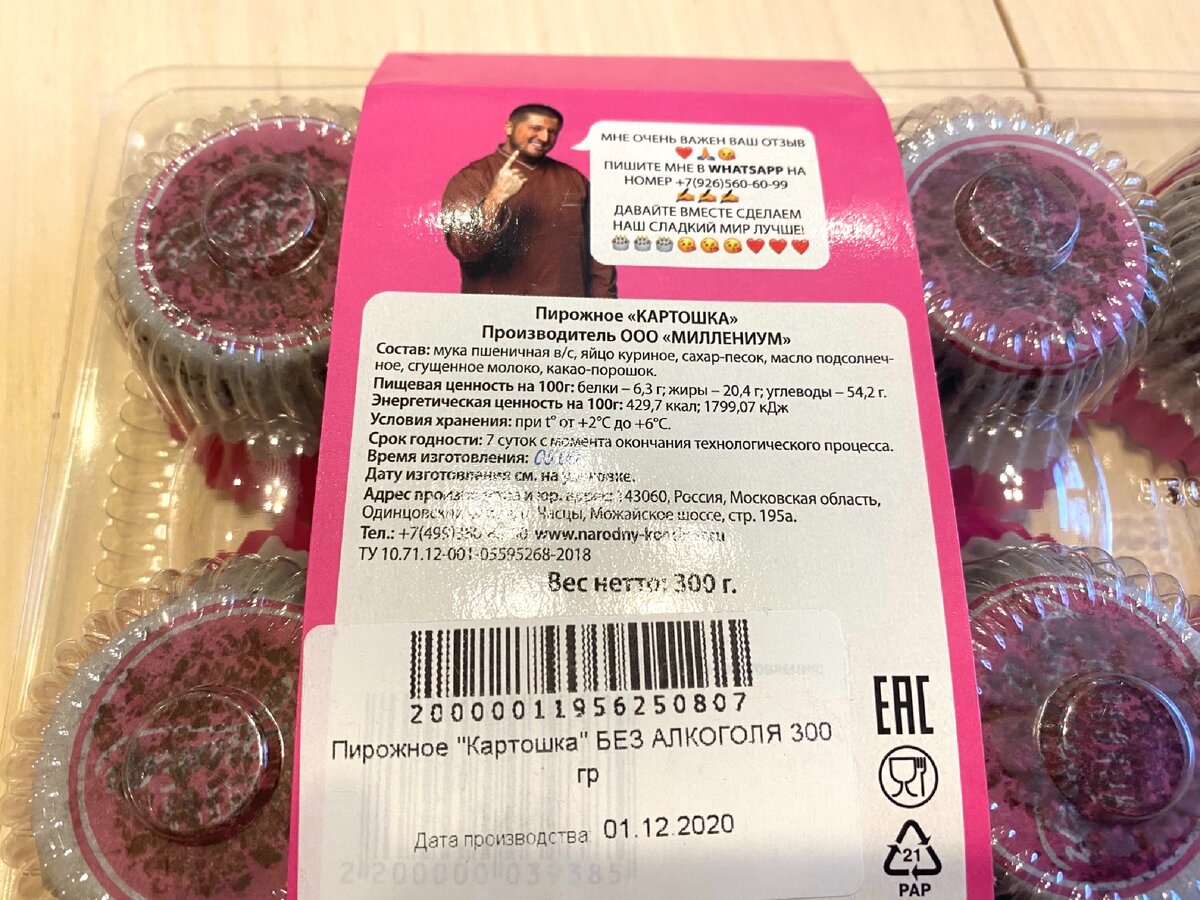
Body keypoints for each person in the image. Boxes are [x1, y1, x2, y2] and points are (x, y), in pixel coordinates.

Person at [441, 104, 616, 298]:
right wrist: (495, 197)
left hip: (563, 309)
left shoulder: (574, 179)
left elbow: (600, 253)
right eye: (536, 128)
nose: (545, 138)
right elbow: (465, 249)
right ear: (509, 128)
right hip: (496, 309)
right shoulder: (472, 178)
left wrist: (604, 305)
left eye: (552, 132)